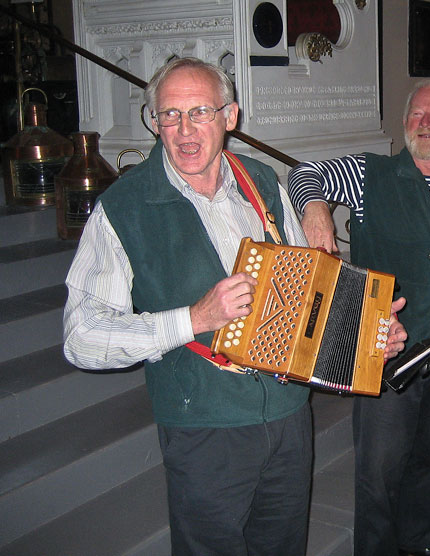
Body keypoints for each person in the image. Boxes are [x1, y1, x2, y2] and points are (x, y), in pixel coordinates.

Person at [62, 57, 406, 556]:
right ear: (154, 121)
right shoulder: (123, 208)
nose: (184, 130)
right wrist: (193, 319)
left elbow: (308, 291)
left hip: (289, 417)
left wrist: (367, 336)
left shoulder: (262, 181)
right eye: (169, 114)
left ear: (230, 116)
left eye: (200, 112)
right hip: (205, 429)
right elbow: (82, 338)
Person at [288, 80, 430, 556]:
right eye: (417, 114)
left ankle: (419, 542)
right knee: (380, 472)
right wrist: (315, 208)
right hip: (384, 353)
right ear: (405, 120)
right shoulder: (367, 174)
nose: (425, 123)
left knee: (429, 459)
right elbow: (304, 172)